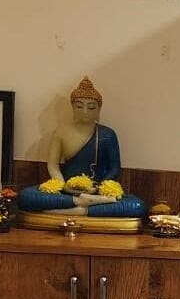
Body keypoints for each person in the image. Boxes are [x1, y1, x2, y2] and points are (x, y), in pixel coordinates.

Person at [17, 77, 146, 218]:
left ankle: (76, 210)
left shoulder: (107, 134)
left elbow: (114, 168)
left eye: (91, 107)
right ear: (72, 107)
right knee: (25, 196)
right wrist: (62, 184)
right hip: (68, 190)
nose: (85, 111)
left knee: (136, 205)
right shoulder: (61, 131)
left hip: (98, 193)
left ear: (98, 109)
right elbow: (53, 165)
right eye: (79, 106)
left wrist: (97, 188)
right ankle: (80, 203)